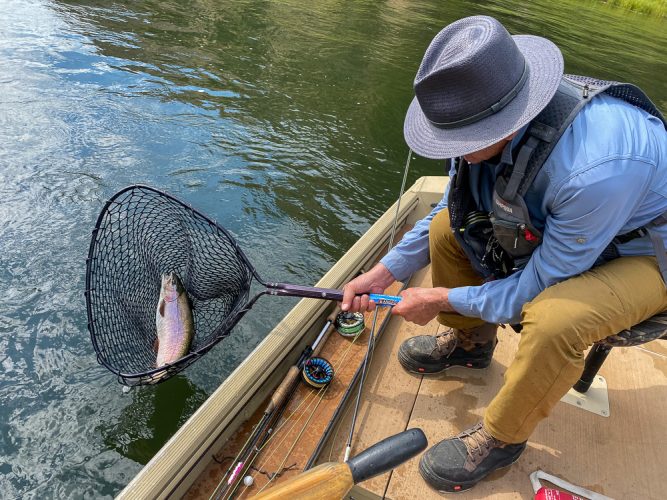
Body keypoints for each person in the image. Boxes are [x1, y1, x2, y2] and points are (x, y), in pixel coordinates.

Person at [341, 15, 667, 493]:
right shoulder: (488, 118)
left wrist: (440, 300)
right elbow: (456, 203)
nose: (452, 151)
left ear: (508, 122)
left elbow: (539, 287)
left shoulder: (596, 169)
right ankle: (472, 344)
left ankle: (501, 438)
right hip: (580, 230)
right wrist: (383, 272)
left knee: (558, 318)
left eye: (459, 143)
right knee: (447, 227)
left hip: (648, 252)